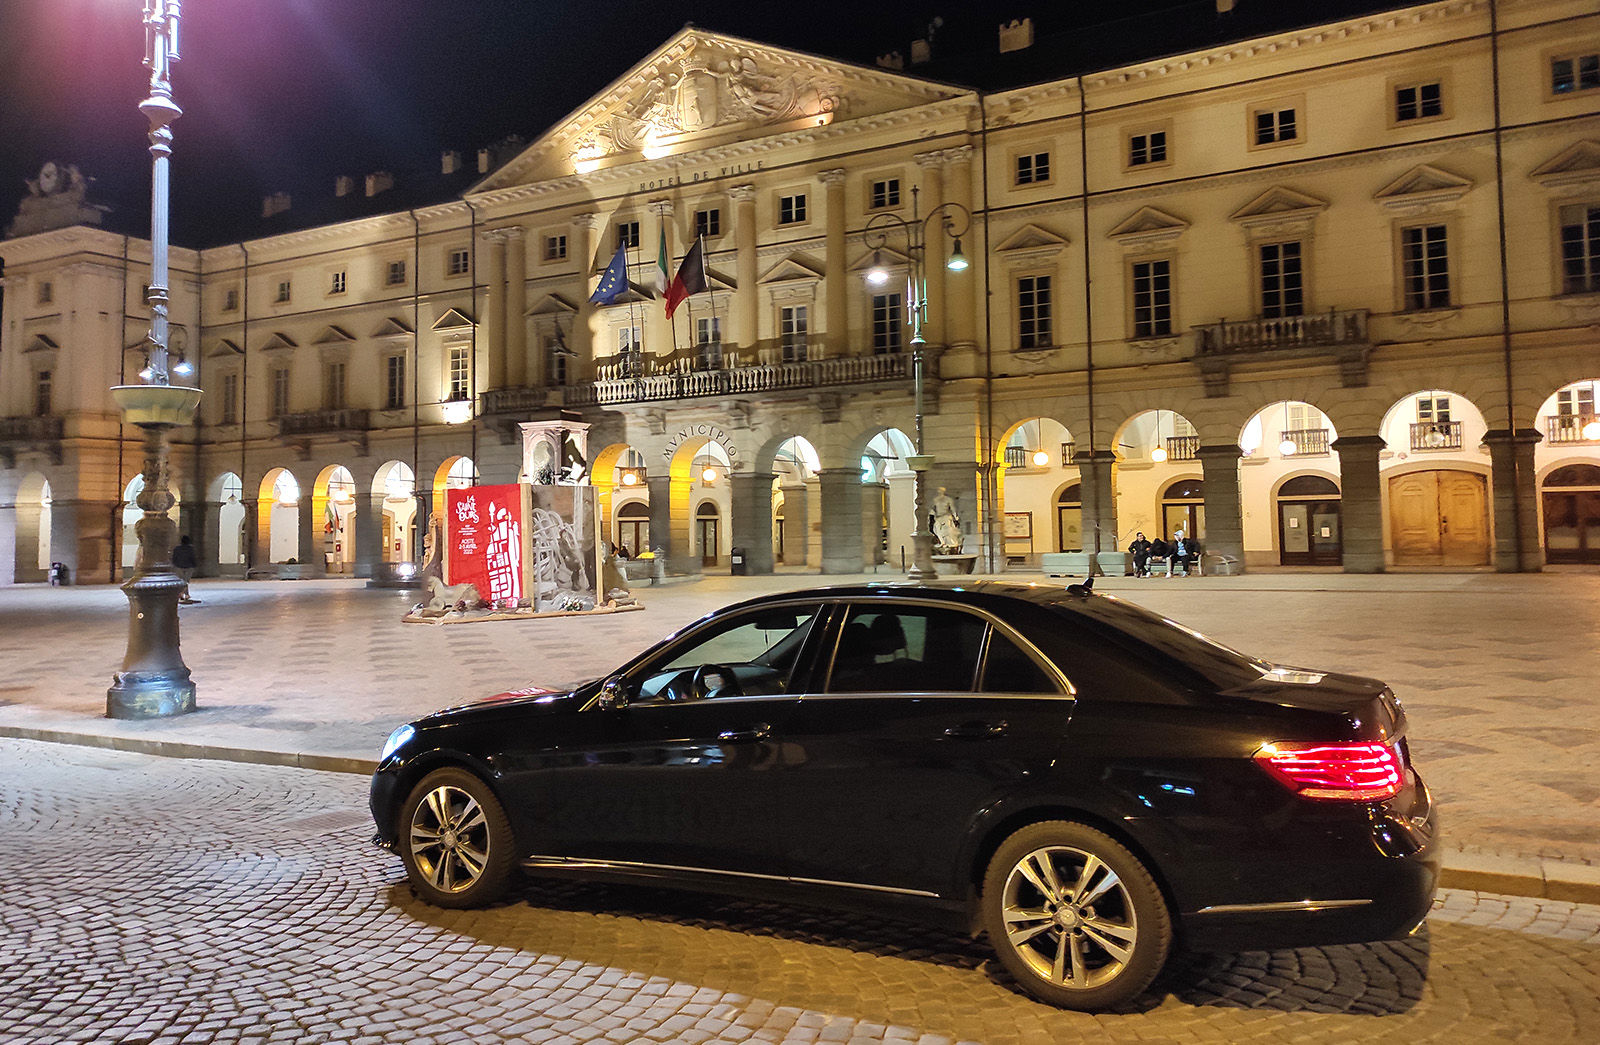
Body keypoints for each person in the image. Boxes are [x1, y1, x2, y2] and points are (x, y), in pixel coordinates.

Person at [929, 487, 961, 554]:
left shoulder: (948, 499)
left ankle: (950, 544)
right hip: (938, 517)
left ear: (943, 491)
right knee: (937, 530)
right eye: (938, 490)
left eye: (941, 490)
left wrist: (955, 517)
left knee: (947, 530)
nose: (939, 492)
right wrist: (932, 515)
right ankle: (943, 543)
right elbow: (933, 509)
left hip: (946, 516)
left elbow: (952, 509)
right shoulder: (935, 500)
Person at [171, 535, 198, 603]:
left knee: (182, 582)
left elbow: (174, 558)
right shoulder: (191, 549)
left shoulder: (177, 548)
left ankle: (184, 594)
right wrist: (195, 565)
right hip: (189, 567)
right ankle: (183, 594)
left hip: (179, 566)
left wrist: (174, 565)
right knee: (185, 582)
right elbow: (192, 557)